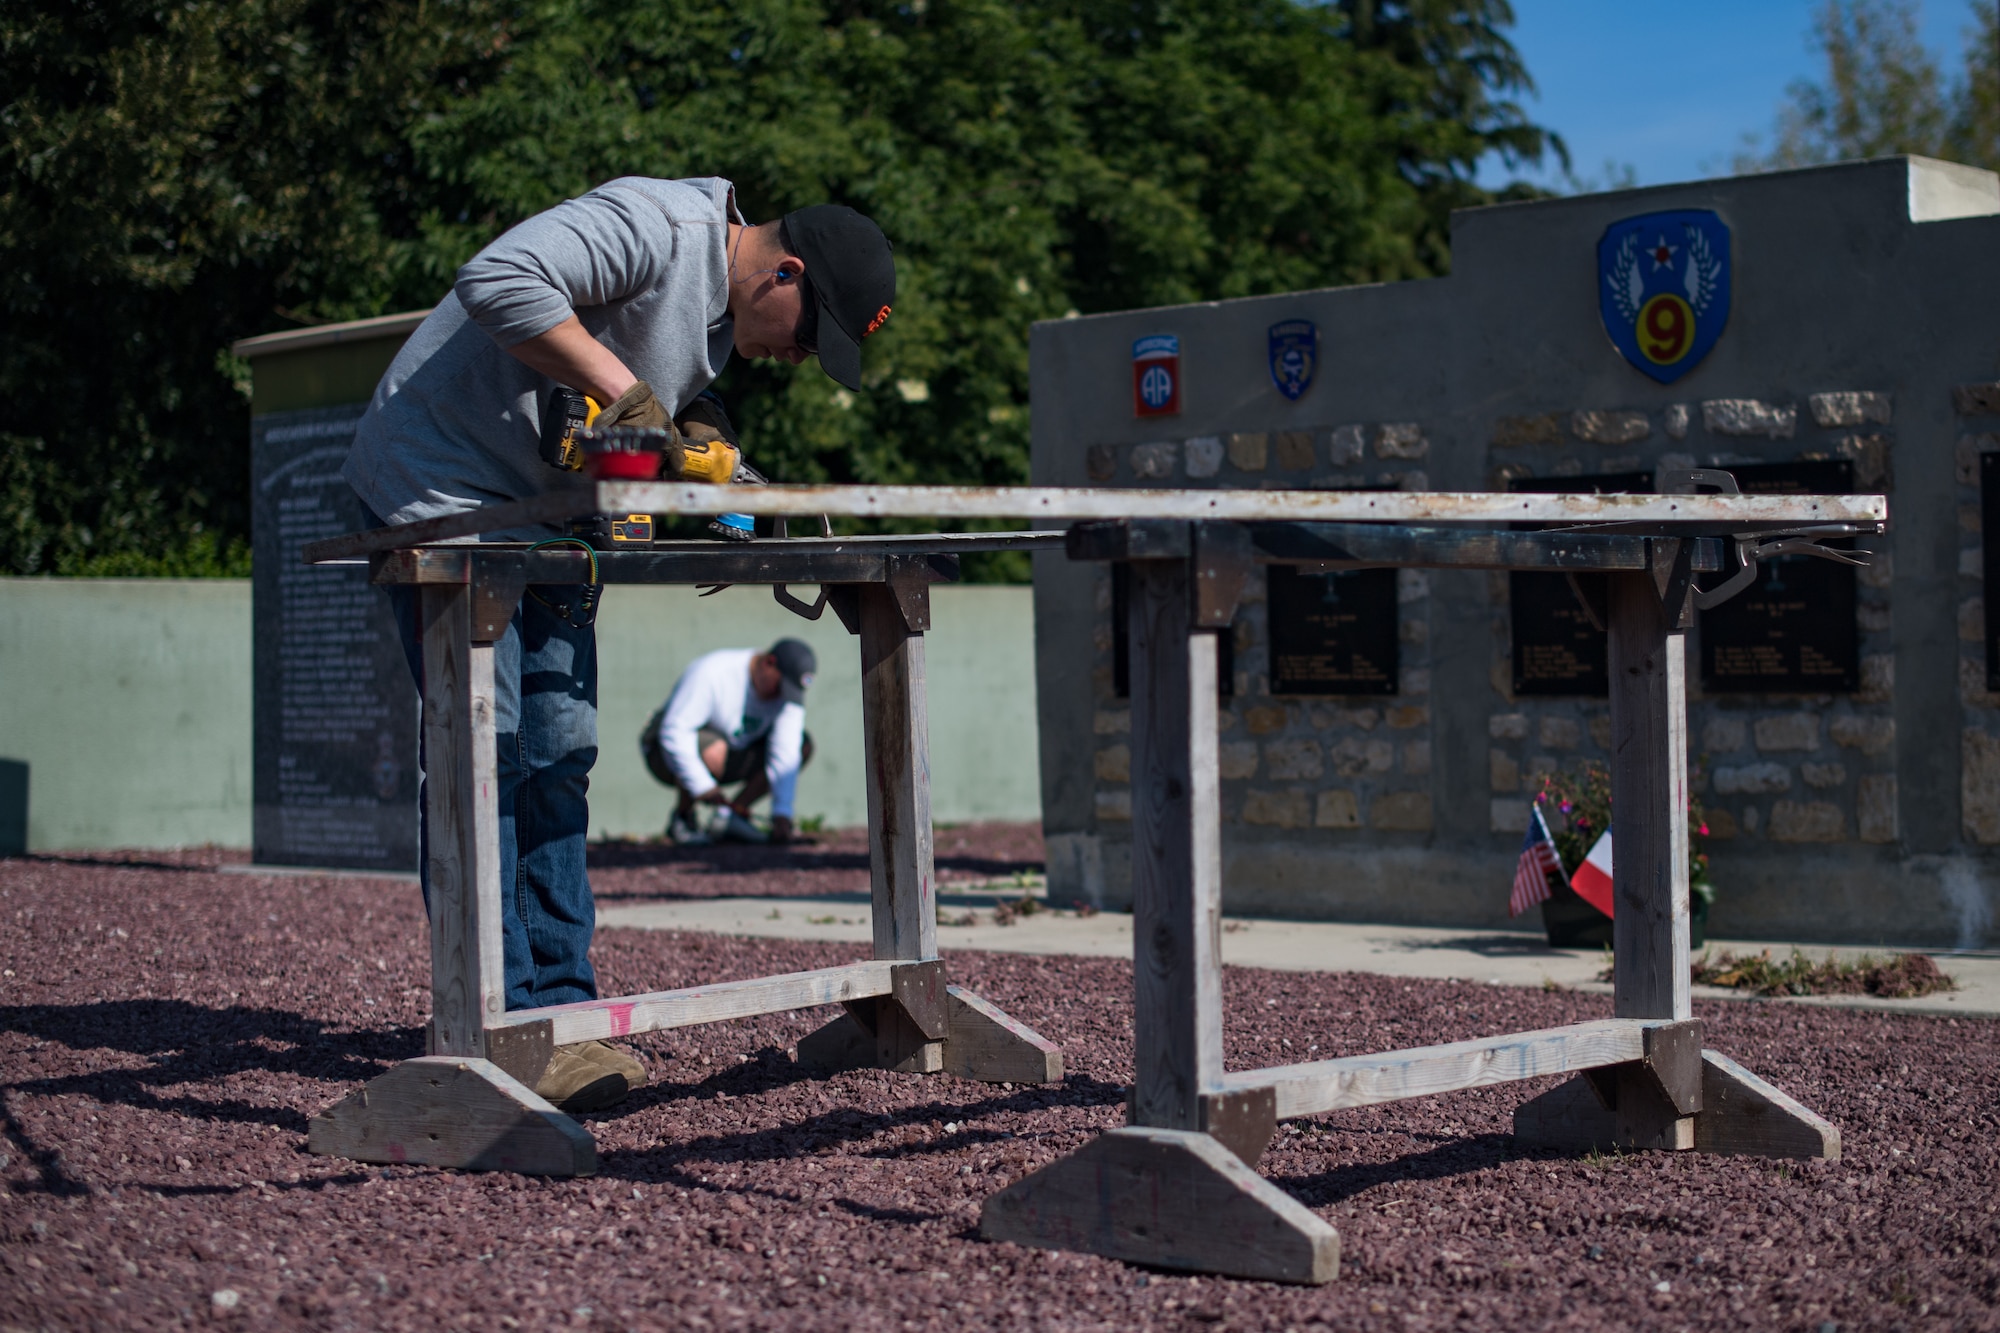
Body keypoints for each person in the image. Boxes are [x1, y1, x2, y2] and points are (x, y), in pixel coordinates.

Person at [338, 176, 895, 1112]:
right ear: (783, 273)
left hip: (547, 515)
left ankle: (560, 1010)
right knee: (490, 749)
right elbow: (497, 277)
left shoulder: (717, 324)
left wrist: (716, 461)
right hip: (439, 486)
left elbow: (655, 424)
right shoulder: (658, 225)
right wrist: (628, 393)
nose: (801, 358)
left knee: (559, 752)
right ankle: (495, 1024)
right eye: (809, 335)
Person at [643, 640, 817, 846]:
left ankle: (730, 817)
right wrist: (702, 785)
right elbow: (674, 731)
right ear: (768, 663)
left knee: (801, 746)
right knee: (714, 749)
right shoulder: (713, 672)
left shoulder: (787, 697)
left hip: (731, 754)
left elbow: (786, 752)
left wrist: (782, 812)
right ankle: (683, 818)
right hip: (661, 752)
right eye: (779, 686)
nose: (781, 694)